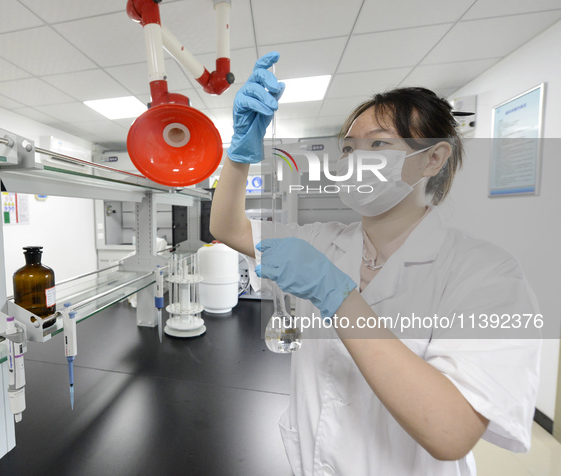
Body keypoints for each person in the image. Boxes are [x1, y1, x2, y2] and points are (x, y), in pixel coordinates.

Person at [210, 51, 541, 476]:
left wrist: (339, 296)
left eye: (379, 144)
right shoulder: (322, 241)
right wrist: (239, 154)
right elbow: (228, 226)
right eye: (348, 148)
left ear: (433, 158)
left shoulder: (485, 273)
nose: (354, 160)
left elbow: (450, 432)